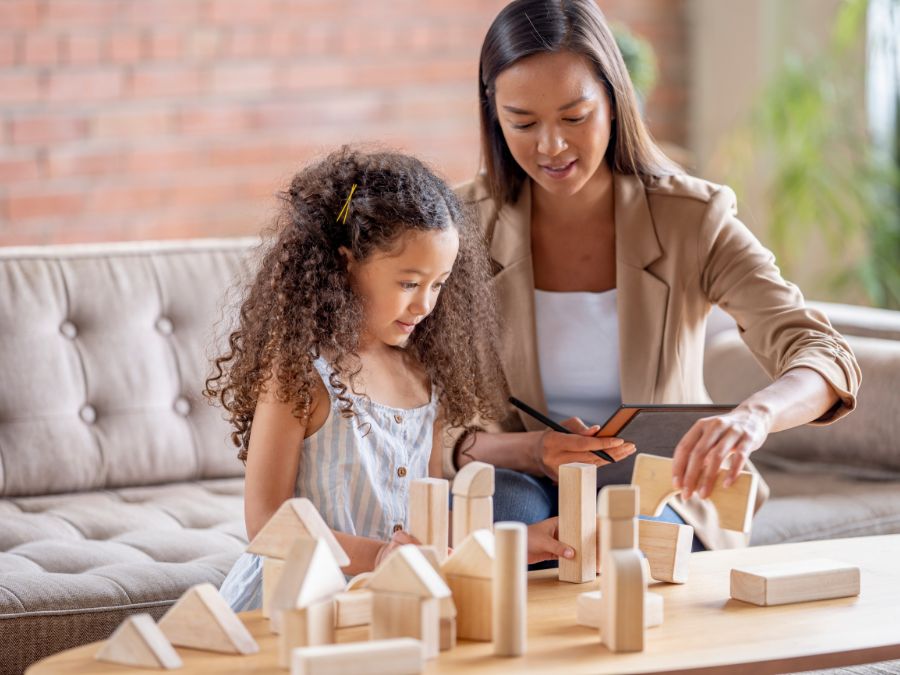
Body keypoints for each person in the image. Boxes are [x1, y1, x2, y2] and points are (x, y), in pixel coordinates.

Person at [447, 0, 861, 551]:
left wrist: (753, 417)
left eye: (575, 117)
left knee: (635, 549)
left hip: (657, 483)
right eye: (523, 122)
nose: (551, 146)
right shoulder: (457, 227)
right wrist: (534, 449)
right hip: (515, 473)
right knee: (506, 528)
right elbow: (418, 418)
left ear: (615, 104)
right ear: (494, 113)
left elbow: (822, 352)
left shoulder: (691, 219)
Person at [205, 146, 564, 612]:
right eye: (409, 283)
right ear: (347, 262)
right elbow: (268, 522)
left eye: (439, 284)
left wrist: (516, 541)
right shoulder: (298, 371)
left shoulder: (424, 375)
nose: (425, 305)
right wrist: (380, 556)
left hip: (388, 604)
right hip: (291, 602)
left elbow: (427, 520)